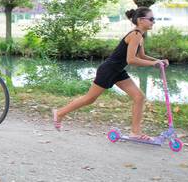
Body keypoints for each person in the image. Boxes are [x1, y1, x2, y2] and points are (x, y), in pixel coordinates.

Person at [52, 7, 169, 141]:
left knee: (139, 97)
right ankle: (59, 113)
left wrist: (158, 61)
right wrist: (154, 64)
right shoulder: (135, 35)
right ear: (141, 20)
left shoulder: (140, 36)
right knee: (90, 99)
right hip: (108, 70)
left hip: (118, 71)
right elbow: (131, 60)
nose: (153, 22)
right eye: (151, 19)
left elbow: (141, 55)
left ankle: (135, 133)